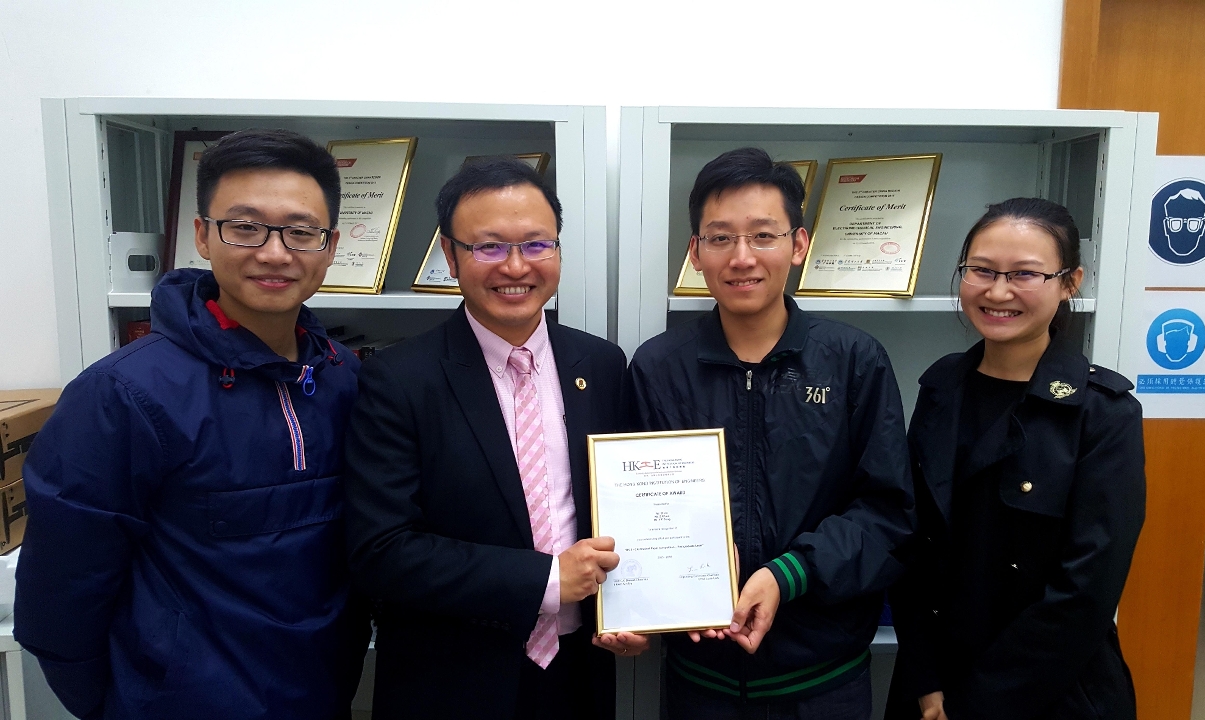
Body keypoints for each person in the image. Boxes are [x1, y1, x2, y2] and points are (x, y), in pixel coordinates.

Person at [15, 128, 369, 719]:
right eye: (246, 226)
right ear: (203, 234)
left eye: (301, 231)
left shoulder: (346, 377)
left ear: (330, 245)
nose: (275, 252)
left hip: (323, 694)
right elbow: (61, 595)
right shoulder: (120, 395)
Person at [624, 147, 914, 719]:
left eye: (763, 236)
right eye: (720, 238)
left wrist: (789, 574)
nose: (742, 257)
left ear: (798, 245)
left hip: (822, 683)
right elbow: (639, 512)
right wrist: (641, 603)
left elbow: (888, 514)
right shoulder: (658, 367)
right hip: (698, 681)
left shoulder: (853, 360)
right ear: (695, 253)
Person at [343, 157, 630, 719]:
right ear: (450, 256)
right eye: (489, 247)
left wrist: (630, 612)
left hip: (580, 672)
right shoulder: (397, 379)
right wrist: (547, 579)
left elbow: (617, 508)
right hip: (452, 680)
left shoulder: (601, 363)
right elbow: (381, 552)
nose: (516, 266)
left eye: (537, 244)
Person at [885, 197, 1145, 720]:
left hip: (1051, 692)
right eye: (981, 270)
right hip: (931, 688)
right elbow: (910, 544)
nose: (997, 291)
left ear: (1070, 282)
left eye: (1025, 274)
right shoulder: (941, 388)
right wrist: (926, 677)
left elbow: (1086, 592)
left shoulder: (1103, 413)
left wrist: (974, 704)